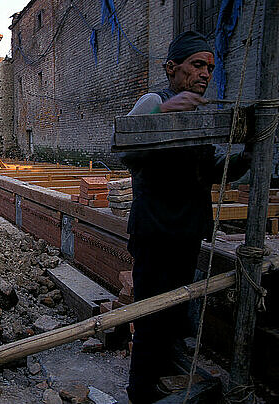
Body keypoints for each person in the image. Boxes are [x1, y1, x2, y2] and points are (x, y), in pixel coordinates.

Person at [120, 31, 251, 403]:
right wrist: (168, 109)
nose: (205, 74)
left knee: (176, 316)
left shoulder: (199, 116)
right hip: (155, 232)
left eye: (210, 67)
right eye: (197, 65)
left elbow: (211, 170)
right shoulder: (154, 101)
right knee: (151, 316)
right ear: (172, 68)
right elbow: (127, 150)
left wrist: (247, 156)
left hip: (187, 232)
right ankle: (140, 392)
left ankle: (167, 382)